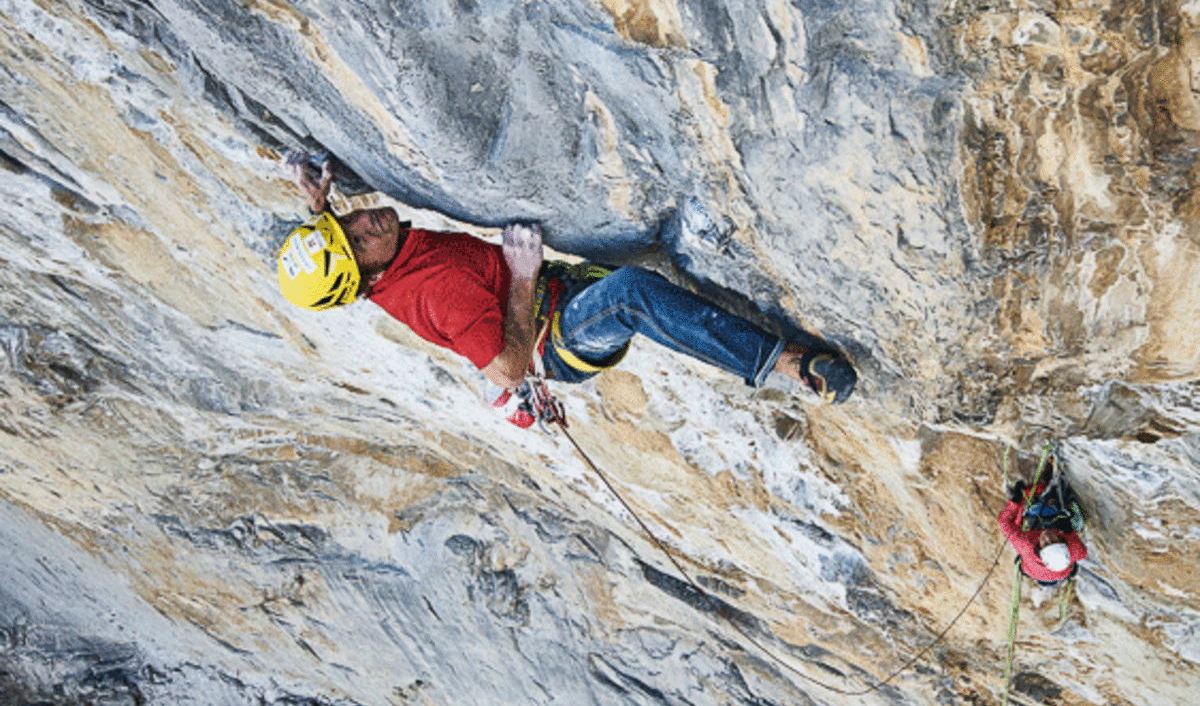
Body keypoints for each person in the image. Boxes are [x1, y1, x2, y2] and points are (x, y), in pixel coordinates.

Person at [276, 154, 857, 415]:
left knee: (624, 290)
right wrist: (523, 276)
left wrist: (318, 201)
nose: (364, 224)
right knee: (632, 294)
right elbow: (507, 369)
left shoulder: (378, 260)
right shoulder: (434, 289)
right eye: (354, 240)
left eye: (345, 224)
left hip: (552, 295)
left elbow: (349, 247)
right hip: (552, 339)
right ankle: (786, 364)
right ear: (368, 275)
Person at [998, 479, 1087, 585]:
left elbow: (1004, 523)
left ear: (1039, 549)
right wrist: (1070, 532)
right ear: (1063, 543)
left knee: (1030, 514)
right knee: (1068, 519)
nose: (1047, 537)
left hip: (1033, 569)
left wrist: (1015, 501)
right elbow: (1082, 553)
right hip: (1058, 572)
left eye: (1045, 543)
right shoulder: (1074, 549)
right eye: (1054, 540)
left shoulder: (1026, 546)